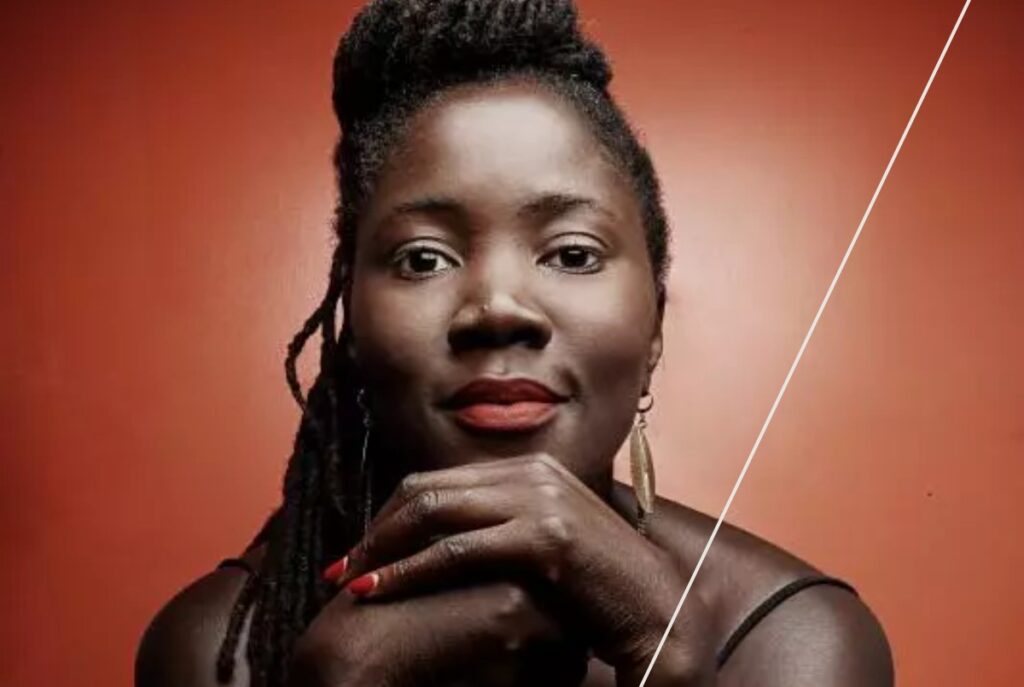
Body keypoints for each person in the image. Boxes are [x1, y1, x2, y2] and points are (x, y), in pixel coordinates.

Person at [135, 1, 893, 685]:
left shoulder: (790, 646)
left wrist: (674, 670)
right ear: (353, 329)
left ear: (655, 327)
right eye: (423, 258)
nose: (498, 309)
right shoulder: (223, 651)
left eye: (572, 253)